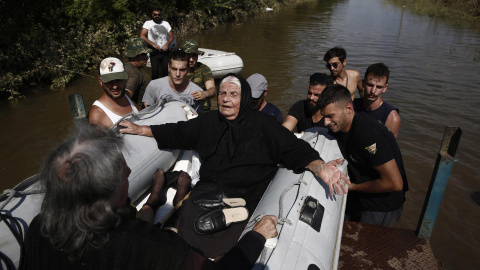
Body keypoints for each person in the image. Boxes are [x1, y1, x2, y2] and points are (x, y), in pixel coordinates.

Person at [119, 73, 350, 259]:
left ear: (246, 97)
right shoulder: (208, 121)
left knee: (216, 243)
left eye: (233, 94)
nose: (226, 99)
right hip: (205, 192)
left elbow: (295, 149)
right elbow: (176, 132)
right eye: (222, 94)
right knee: (182, 234)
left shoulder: (264, 125)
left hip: (243, 198)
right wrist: (141, 129)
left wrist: (320, 167)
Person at [20, 124, 280, 270]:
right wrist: (255, 237)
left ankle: (161, 198)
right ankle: (175, 199)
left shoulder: (38, 228)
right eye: (123, 175)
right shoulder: (154, 248)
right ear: (106, 191)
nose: (130, 171)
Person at [318, 84, 408, 227]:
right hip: (359, 197)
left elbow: (395, 183)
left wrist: (352, 187)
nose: (325, 122)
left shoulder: (368, 136)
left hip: (381, 205)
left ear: (348, 109)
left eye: (330, 116)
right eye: (323, 116)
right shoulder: (341, 128)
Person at [88, 57, 139, 129]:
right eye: (109, 82)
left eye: (118, 80)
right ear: (101, 82)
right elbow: (98, 140)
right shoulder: (97, 114)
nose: (115, 87)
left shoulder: (126, 95)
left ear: (125, 79)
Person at [353, 63, 401, 138]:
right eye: (370, 85)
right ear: (363, 83)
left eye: (379, 87)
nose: (373, 91)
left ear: (385, 88)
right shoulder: (352, 106)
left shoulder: (391, 118)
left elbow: (388, 148)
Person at [179, 39, 216, 111]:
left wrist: (205, 94)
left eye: (194, 56)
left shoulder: (204, 69)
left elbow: (212, 90)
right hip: (183, 108)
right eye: (188, 56)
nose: (191, 59)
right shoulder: (177, 69)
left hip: (202, 108)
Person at [140, 7, 174, 80]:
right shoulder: (148, 23)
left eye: (159, 15)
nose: (157, 16)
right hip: (154, 51)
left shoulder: (166, 23)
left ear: (161, 15)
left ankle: (165, 87)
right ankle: (154, 88)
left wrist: (167, 44)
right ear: (152, 15)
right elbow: (142, 36)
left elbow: (171, 37)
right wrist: (153, 44)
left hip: (164, 51)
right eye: (155, 15)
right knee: (155, 72)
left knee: (165, 72)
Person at [124, 38, 152, 107]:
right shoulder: (134, 74)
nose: (146, 57)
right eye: (143, 55)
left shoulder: (124, 67)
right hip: (137, 114)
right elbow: (125, 99)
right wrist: (138, 111)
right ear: (134, 55)